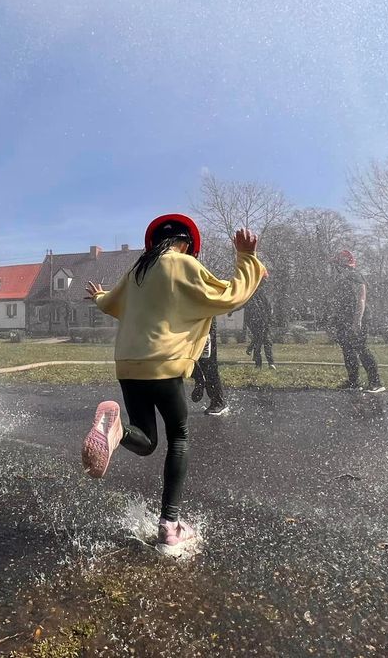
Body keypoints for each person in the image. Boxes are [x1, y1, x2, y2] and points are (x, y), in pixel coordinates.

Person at [82, 214, 264, 557]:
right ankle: (170, 526)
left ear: (154, 244)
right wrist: (246, 259)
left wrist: (98, 296)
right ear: (187, 245)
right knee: (178, 436)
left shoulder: (137, 271)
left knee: (147, 439)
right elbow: (228, 297)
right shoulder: (182, 264)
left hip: (128, 366)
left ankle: (116, 432)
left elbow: (110, 304)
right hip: (163, 365)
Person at [328, 250, 384, 393]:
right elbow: (341, 301)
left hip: (357, 319)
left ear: (343, 264)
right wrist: (336, 317)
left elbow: (361, 299)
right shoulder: (342, 278)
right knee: (348, 350)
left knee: (361, 349)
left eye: (336, 264)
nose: (335, 268)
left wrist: (357, 320)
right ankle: (353, 381)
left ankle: (376, 382)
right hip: (345, 319)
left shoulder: (354, 276)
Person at [189, 319, 228, 416]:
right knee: (183, 358)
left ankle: (218, 402)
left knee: (208, 364)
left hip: (205, 327)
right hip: (187, 324)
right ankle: (199, 378)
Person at [244, 270, 276, 370]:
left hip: (261, 320)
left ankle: (261, 362)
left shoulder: (258, 292)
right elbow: (243, 303)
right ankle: (263, 363)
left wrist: (269, 318)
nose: (264, 284)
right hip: (255, 320)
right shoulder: (251, 292)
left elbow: (267, 306)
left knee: (262, 340)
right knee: (262, 339)